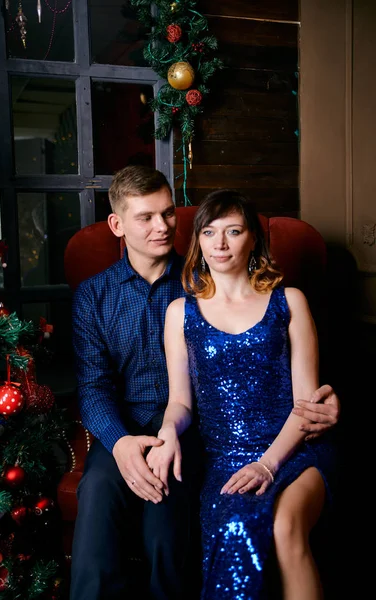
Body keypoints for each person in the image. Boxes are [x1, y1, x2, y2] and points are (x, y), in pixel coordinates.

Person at [70, 167, 340, 600]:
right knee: (98, 493)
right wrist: (121, 442)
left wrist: (322, 405)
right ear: (118, 225)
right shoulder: (95, 295)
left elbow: (290, 380)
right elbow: (92, 387)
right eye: (146, 218)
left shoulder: (200, 281)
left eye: (168, 214)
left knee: (166, 529)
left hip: (195, 433)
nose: (162, 227)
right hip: (132, 425)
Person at [146, 189, 339, 600]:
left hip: (295, 450)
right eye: (209, 232)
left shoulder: (289, 302)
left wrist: (268, 465)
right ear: (197, 240)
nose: (220, 243)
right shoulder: (181, 313)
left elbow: (308, 407)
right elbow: (180, 402)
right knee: (234, 527)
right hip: (227, 461)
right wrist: (167, 432)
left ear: (252, 238)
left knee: (286, 527)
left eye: (233, 231)